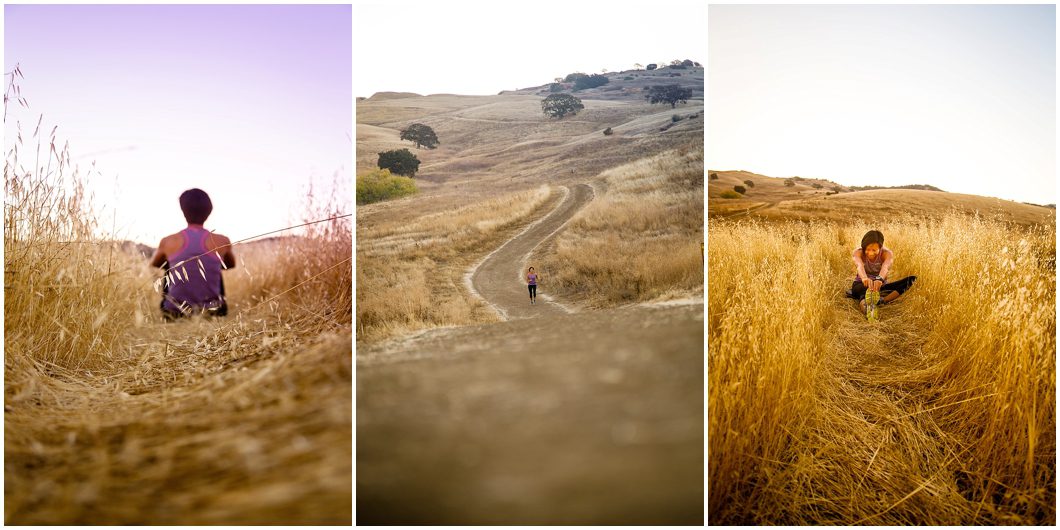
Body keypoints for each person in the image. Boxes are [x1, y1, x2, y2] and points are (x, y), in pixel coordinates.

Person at [149, 188, 236, 320]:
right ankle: (211, 304)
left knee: (169, 265)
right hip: (213, 312)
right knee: (217, 265)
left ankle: (173, 306)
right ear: (209, 211)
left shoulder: (168, 241)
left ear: (183, 211)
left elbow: (156, 264)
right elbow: (230, 264)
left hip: (175, 314)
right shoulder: (222, 241)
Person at [849, 230, 916, 319]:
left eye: (874, 250)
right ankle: (866, 306)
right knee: (864, 290)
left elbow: (885, 267)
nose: (870, 253)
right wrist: (865, 278)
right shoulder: (858, 252)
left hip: (879, 286)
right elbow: (859, 266)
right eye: (868, 249)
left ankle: (882, 300)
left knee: (911, 279)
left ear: (880, 248)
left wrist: (879, 279)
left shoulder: (886, 253)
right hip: (861, 284)